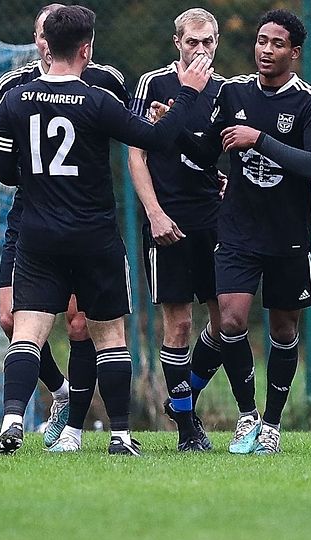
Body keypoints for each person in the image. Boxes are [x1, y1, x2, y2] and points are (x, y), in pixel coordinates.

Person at [0, 5, 213, 456]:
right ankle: (120, 435)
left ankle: (12, 421)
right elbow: (156, 140)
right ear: (86, 49)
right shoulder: (97, 100)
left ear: (45, 46)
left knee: (28, 331)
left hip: (38, 236)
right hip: (93, 235)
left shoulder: (16, 99)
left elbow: (4, 171)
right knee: (108, 334)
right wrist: (187, 95)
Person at [153, 9, 311, 454]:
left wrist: (261, 140)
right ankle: (247, 415)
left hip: (288, 234)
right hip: (235, 229)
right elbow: (204, 152)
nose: (265, 50)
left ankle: (272, 423)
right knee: (230, 320)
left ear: (294, 52)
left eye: (276, 44)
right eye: (260, 41)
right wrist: (170, 128)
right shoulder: (233, 91)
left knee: (284, 331)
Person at [0, 3, 129, 455]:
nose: (41, 41)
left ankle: (73, 430)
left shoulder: (105, 80)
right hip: (30, 218)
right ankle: (57, 392)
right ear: (37, 38)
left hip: (83, 217)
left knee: (79, 322)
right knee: (10, 317)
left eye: (46, 34)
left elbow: (134, 132)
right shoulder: (13, 86)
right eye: (37, 33)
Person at [127, 8, 226, 452]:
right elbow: (137, 154)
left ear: (217, 43)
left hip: (214, 220)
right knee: (180, 323)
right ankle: (188, 431)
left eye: (207, 42)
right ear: (177, 44)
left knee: (228, 321)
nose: (200, 50)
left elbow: (224, 154)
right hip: (168, 220)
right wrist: (154, 212)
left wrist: (229, 185)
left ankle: (184, 397)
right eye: (192, 42)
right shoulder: (153, 84)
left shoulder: (226, 89)